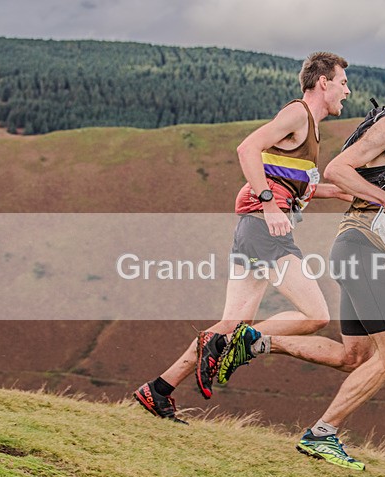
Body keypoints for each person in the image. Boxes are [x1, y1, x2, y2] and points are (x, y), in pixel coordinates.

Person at [217, 48, 385, 470]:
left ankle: (257, 341)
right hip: (359, 250)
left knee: (354, 357)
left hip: (365, 249)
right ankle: (322, 434)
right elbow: (338, 169)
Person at [134, 52, 352, 423]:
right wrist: (268, 203)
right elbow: (247, 148)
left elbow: (303, 186)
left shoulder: (309, 129)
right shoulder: (298, 114)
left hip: (253, 228)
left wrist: (358, 195)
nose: (347, 91)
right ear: (323, 83)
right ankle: (233, 344)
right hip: (265, 226)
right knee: (315, 315)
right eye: (343, 83)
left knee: (229, 324)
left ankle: (158, 389)